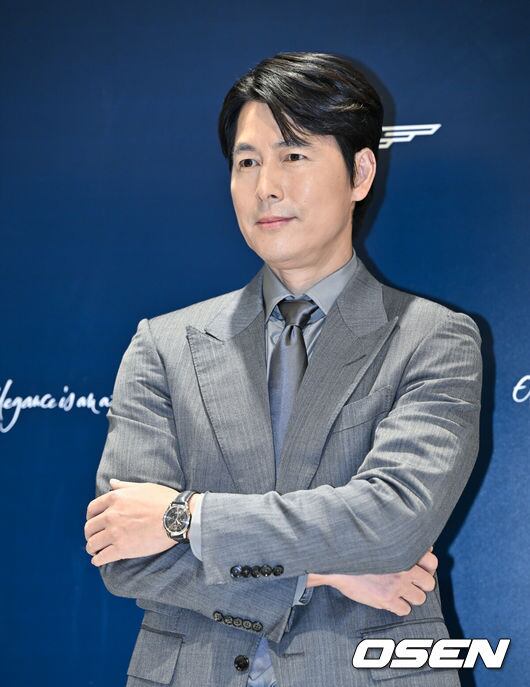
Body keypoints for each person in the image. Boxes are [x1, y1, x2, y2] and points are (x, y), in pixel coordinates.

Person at [85, 51, 482, 687]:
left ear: (360, 173)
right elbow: (124, 552)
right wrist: (318, 573)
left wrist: (185, 517)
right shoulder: (163, 344)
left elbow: (393, 522)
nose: (265, 185)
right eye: (247, 162)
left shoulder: (433, 338)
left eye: (293, 155)